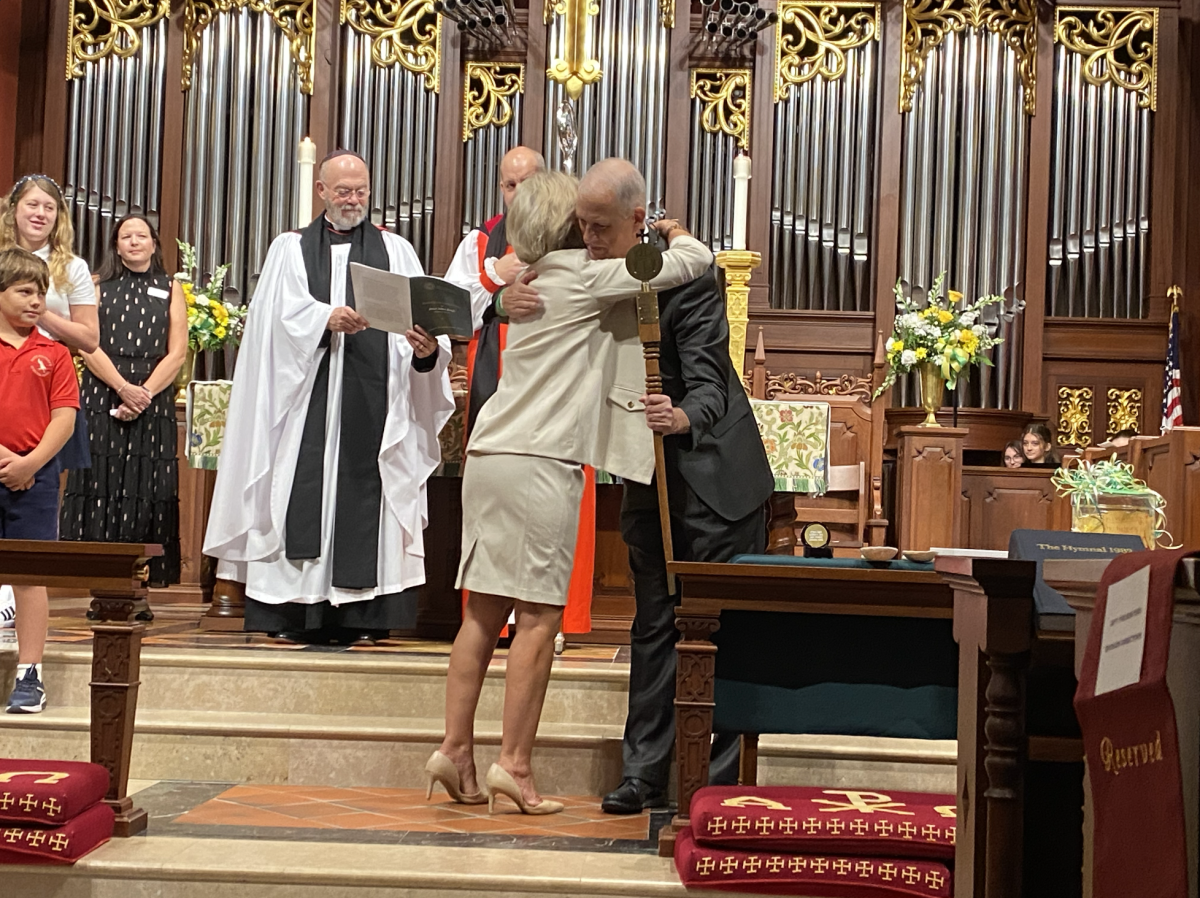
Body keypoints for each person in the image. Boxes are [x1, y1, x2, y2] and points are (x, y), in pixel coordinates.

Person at [429, 170, 713, 815]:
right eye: (582, 222)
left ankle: (454, 749)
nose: (590, 232)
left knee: (482, 613)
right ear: (566, 227)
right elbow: (691, 264)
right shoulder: (582, 275)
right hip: (539, 461)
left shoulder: (525, 282)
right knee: (538, 618)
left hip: (490, 451)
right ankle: (516, 766)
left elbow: (489, 302)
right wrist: (671, 229)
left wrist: (499, 295)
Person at [507, 158, 774, 815]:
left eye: (601, 227)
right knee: (654, 624)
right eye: (583, 227)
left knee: (715, 631)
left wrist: (683, 415)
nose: (590, 239)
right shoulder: (599, 269)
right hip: (646, 477)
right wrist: (498, 297)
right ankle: (645, 771)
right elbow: (523, 283)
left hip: (713, 480)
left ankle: (709, 779)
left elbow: (712, 375)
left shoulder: (688, 281)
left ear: (636, 220)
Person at [203, 150, 454, 644]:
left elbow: (425, 328)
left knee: (368, 496)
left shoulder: (396, 250)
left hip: (374, 410)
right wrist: (323, 320)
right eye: (343, 191)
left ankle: (364, 617)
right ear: (321, 191)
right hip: (303, 411)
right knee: (300, 496)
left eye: (360, 190)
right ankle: (295, 614)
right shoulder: (289, 249)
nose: (353, 199)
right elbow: (269, 333)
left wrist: (426, 351)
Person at [445, 147, 597, 641]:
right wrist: (495, 281)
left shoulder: (579, 256)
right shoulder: (481, 240)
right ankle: (510, 626)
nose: (519, 193)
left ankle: (557, 622)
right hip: (498, 383)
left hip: (558, 411)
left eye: (529, 181)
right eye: (511, 185)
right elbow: (448, 308)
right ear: (500, 189)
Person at [60, 214, 187, 587]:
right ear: (116, 245)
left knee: (149, 488)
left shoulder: (170, 286)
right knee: (101, 484)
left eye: (141, 235)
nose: (134, 241)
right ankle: (101, 582)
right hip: (104, 391)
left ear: (153, 244)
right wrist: (122, 387)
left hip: (154, 397)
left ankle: (140, 586)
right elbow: (87, 345)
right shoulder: (97, 285)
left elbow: (177, 352)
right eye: (126, 236)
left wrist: (143, 392)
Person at [0, 248, 80, 712]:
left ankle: (30, 674)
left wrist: (29, 465)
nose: (35, 301)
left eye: (41, 293)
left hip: (37, 478)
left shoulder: (54, 353)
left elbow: (64, 418)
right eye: (24, 291)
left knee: (31, 578)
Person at [0, 175, 99, 472]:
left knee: (45, 480)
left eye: (49, 208)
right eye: (32, 204)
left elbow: (89, 338)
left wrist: (37, 311)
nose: (40, 214)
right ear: (14, 209)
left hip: (46, 378)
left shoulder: (72, 267)